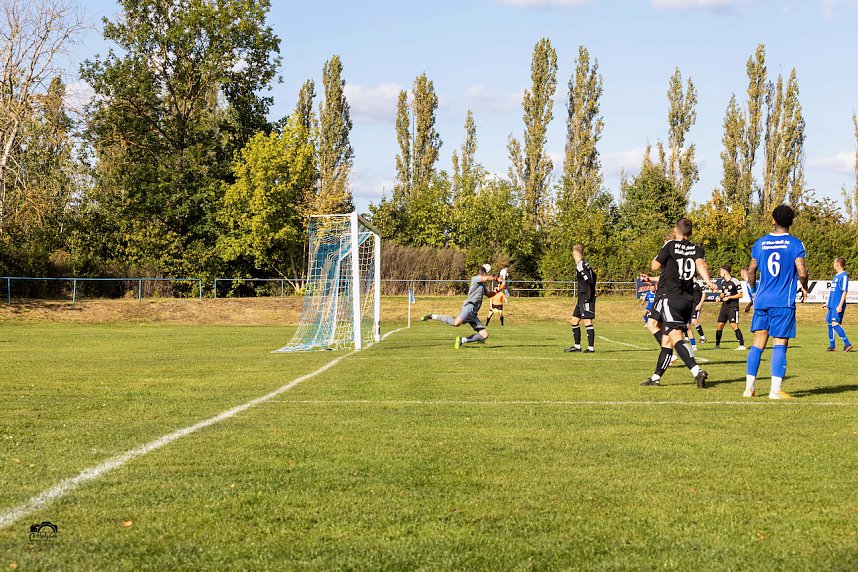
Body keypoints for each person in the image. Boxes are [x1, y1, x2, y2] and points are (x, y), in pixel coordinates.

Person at [640, 218, 718, 388]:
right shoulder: (697, 248)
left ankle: (697, 371)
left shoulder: (670, 246)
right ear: (691, 232)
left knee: (676, 338)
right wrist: (708, 281)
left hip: (671, 297)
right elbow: (700, 264)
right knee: (667, 340)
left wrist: (663, 249)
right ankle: (655, 378)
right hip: (687, 300)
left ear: (676, 230)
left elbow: (654, 266)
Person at [744, 205, 809, 399]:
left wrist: (754, 292)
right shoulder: (795, 244)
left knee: (758, 343)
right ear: (791, 222)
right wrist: (804, 286)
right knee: (780, 342)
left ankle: (749, 388)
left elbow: (751, 271)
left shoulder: (760, 243)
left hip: (762, 300)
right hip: (782, 301)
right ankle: (775, 390)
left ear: (773, 220)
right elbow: (802, 272)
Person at [422, 264, 504, 349]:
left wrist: (498, 290)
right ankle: (432, 316)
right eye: (485, 275)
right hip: (469, 307)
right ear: (483, 274)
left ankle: (462, 340)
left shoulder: (482, 286)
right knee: (456, 323)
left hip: (473, 313)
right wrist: (497, 279)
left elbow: (489, 295)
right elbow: (486, 278)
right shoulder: (475, 279)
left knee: (484, 335)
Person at [565, 244, 597, 353]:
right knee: (574, 320)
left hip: (586, 297)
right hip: (581, 298)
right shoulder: (585, 264)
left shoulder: (581, 265)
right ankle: (577, 346)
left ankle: (591, 348)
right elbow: (594, 276)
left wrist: (590, 293)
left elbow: (589, 279)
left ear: (575, 253)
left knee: (587, 320)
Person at [714, 265, 746, 350]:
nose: (720, 273)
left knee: (734, 325)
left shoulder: (735, 281)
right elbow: (722, 293)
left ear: (725, 271)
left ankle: (742, 345)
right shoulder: (723, 282)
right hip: (724, 306)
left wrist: (729, 297)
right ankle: (717, 346)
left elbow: (741, 294)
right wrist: (719, 297)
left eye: (721, 271)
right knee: (720, 325)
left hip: (733, 306)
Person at [825, 257, 852, 352]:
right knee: (830, 324)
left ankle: (847, 344)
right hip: (832, 305)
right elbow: (833, 292)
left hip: (837, 305)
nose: (833, 264)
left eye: (834, 262)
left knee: (835, 324)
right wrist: (828, 303)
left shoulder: (844, 276)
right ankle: (832, 346)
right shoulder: (836, 276)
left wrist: (840, 305)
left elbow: (844, 291)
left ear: (837, 264)